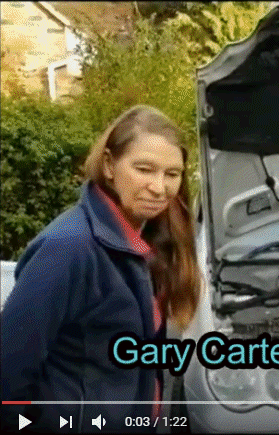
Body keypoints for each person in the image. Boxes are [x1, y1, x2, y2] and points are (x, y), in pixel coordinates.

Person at [1, 105, 201, 433]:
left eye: (172, 174)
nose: (159, 187)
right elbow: (9, 373)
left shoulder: (146, 240)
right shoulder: (68, 249)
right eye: (144, 169)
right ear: (109, 165)